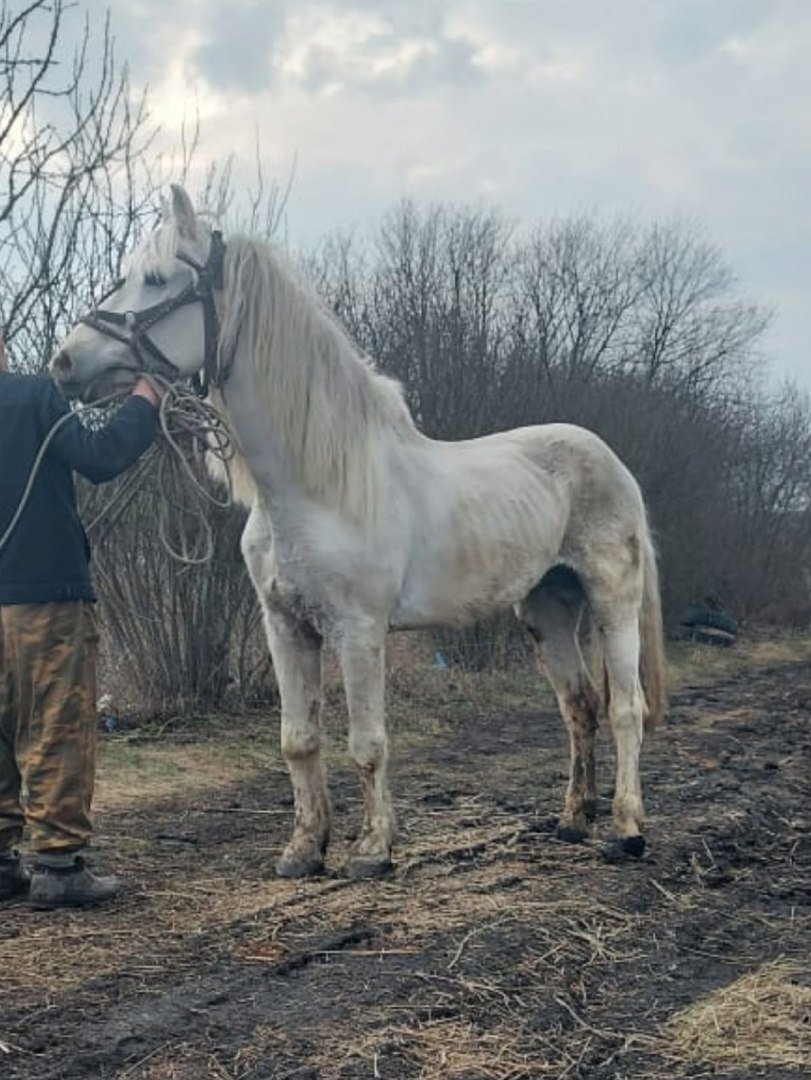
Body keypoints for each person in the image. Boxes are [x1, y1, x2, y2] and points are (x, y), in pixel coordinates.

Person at [0, 330, 161, 907]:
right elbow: (100, 457)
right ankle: (58, 867)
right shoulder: (31, 395)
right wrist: (146, 398)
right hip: (46, 596)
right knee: (55, 725)